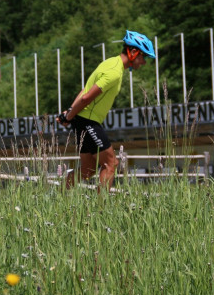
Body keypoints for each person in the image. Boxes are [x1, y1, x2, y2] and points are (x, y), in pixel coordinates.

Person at [57, 30, 155, 191]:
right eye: (143, 57)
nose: (143, 62)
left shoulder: (110, 63)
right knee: (111, 163)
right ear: (132, 52)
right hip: (88, 120)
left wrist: (69, 114)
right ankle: (100, 209)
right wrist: (69, 116)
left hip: (82, 119)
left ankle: (60, 197)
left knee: (88, 169)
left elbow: (84, 89)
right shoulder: (114, 72)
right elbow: (86, 97)